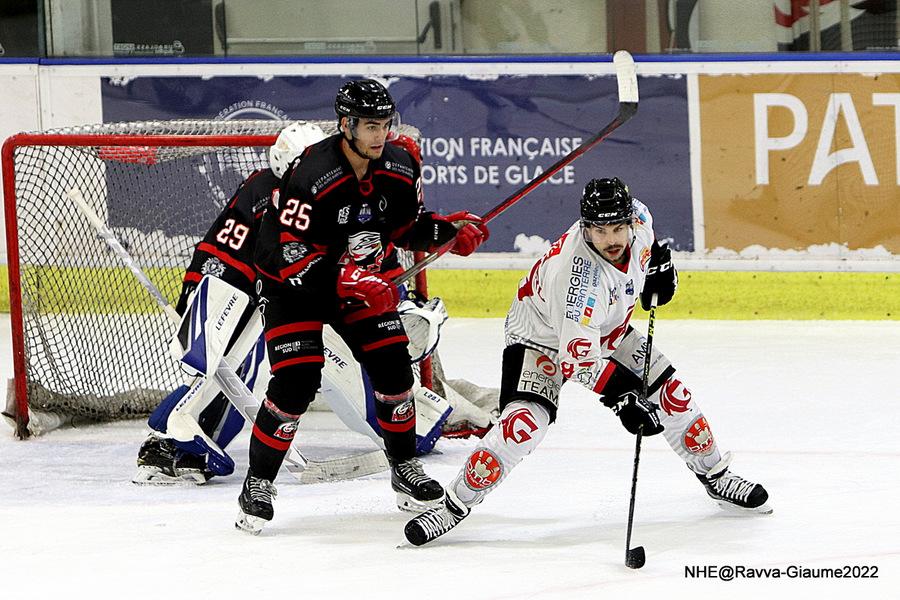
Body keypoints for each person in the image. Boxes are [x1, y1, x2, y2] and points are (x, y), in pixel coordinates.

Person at [404, 177, 771, 546]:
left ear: (630, 221)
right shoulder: (577, 281)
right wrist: (624, 398)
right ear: (585, 228)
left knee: (674, 396)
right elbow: (578, 362)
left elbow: (644, 260)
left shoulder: (640, 217)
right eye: (600, 230)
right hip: (540, 339)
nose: (612, 239)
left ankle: (716, 476)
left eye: (617, 228)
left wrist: (660, 274)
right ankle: (453, 505)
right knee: (522, 427)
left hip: (609, 329)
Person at [235, 79, 490, 534]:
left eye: (385, 125)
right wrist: (343, 276)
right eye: (371, 126)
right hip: (293, 288)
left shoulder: (401, 164)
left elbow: (405, 229)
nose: (380, 135)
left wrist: (447, 232)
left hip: (358, 286)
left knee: (394, 369)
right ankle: (258, 482)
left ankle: (405, 470)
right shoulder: (312, 172)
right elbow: (282, 252)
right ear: (345, 124)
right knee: (296, 381)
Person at [133, 121, 328, 484]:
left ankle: (185, 448)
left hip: (232, 292)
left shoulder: (276, 186)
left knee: (230, 378)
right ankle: (166, 441)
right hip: (227, 293)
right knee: (229, 376)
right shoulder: (276, 193)